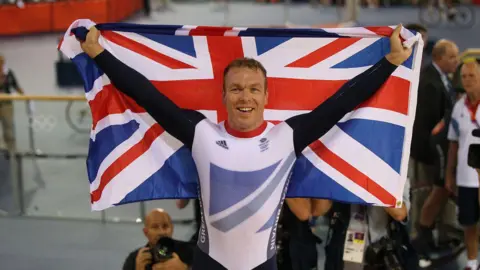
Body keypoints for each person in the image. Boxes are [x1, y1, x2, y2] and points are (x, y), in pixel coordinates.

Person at [80, 25, 412, 270]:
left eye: (254, 89)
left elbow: (345, 100)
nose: (245, 96)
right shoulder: (201, 134)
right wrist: (99, 54)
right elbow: (147, 95)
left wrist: (391, 61)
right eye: (236, 89)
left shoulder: (287, 137)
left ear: (266, 97)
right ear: (223, 96)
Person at [409, 39, 460, 253]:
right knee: (426, 194)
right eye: (452, 57)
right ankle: (420, 238)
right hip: (430, 153)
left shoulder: (442, 79)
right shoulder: (430, 83)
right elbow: (425, 125)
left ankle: (434, 234)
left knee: (437, 194)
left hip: (439, 152)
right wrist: (432, 156)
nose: (456, 61)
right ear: (439, 58)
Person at [323, 178, 414, 269]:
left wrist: (372, 182)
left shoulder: (396, 173)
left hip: (382, 251)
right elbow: (320, 211)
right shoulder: (344, 171)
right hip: (347, 249)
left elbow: (400, 214)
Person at [445, 60, 480, 270]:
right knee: (468, 223)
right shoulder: (459, 106)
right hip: (466, 177)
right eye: (464, 76)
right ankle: (471, 261)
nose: (467, 80)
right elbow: (453, 143)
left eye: (472, 76)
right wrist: (449, 174)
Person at [122, 208, 194, 270]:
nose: (161, 232)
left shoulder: (189, 251)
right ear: (146, 232)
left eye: (165, 226)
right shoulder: (135, 259)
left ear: (172, 228)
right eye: (155, 227)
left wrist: (184, 268)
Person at [0, 55, 24, 154]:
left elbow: (16, 86)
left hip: (6, 104)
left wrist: (25, 96)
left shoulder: (9, 74)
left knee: (8, 129)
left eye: (1, 63)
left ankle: (11, 151)